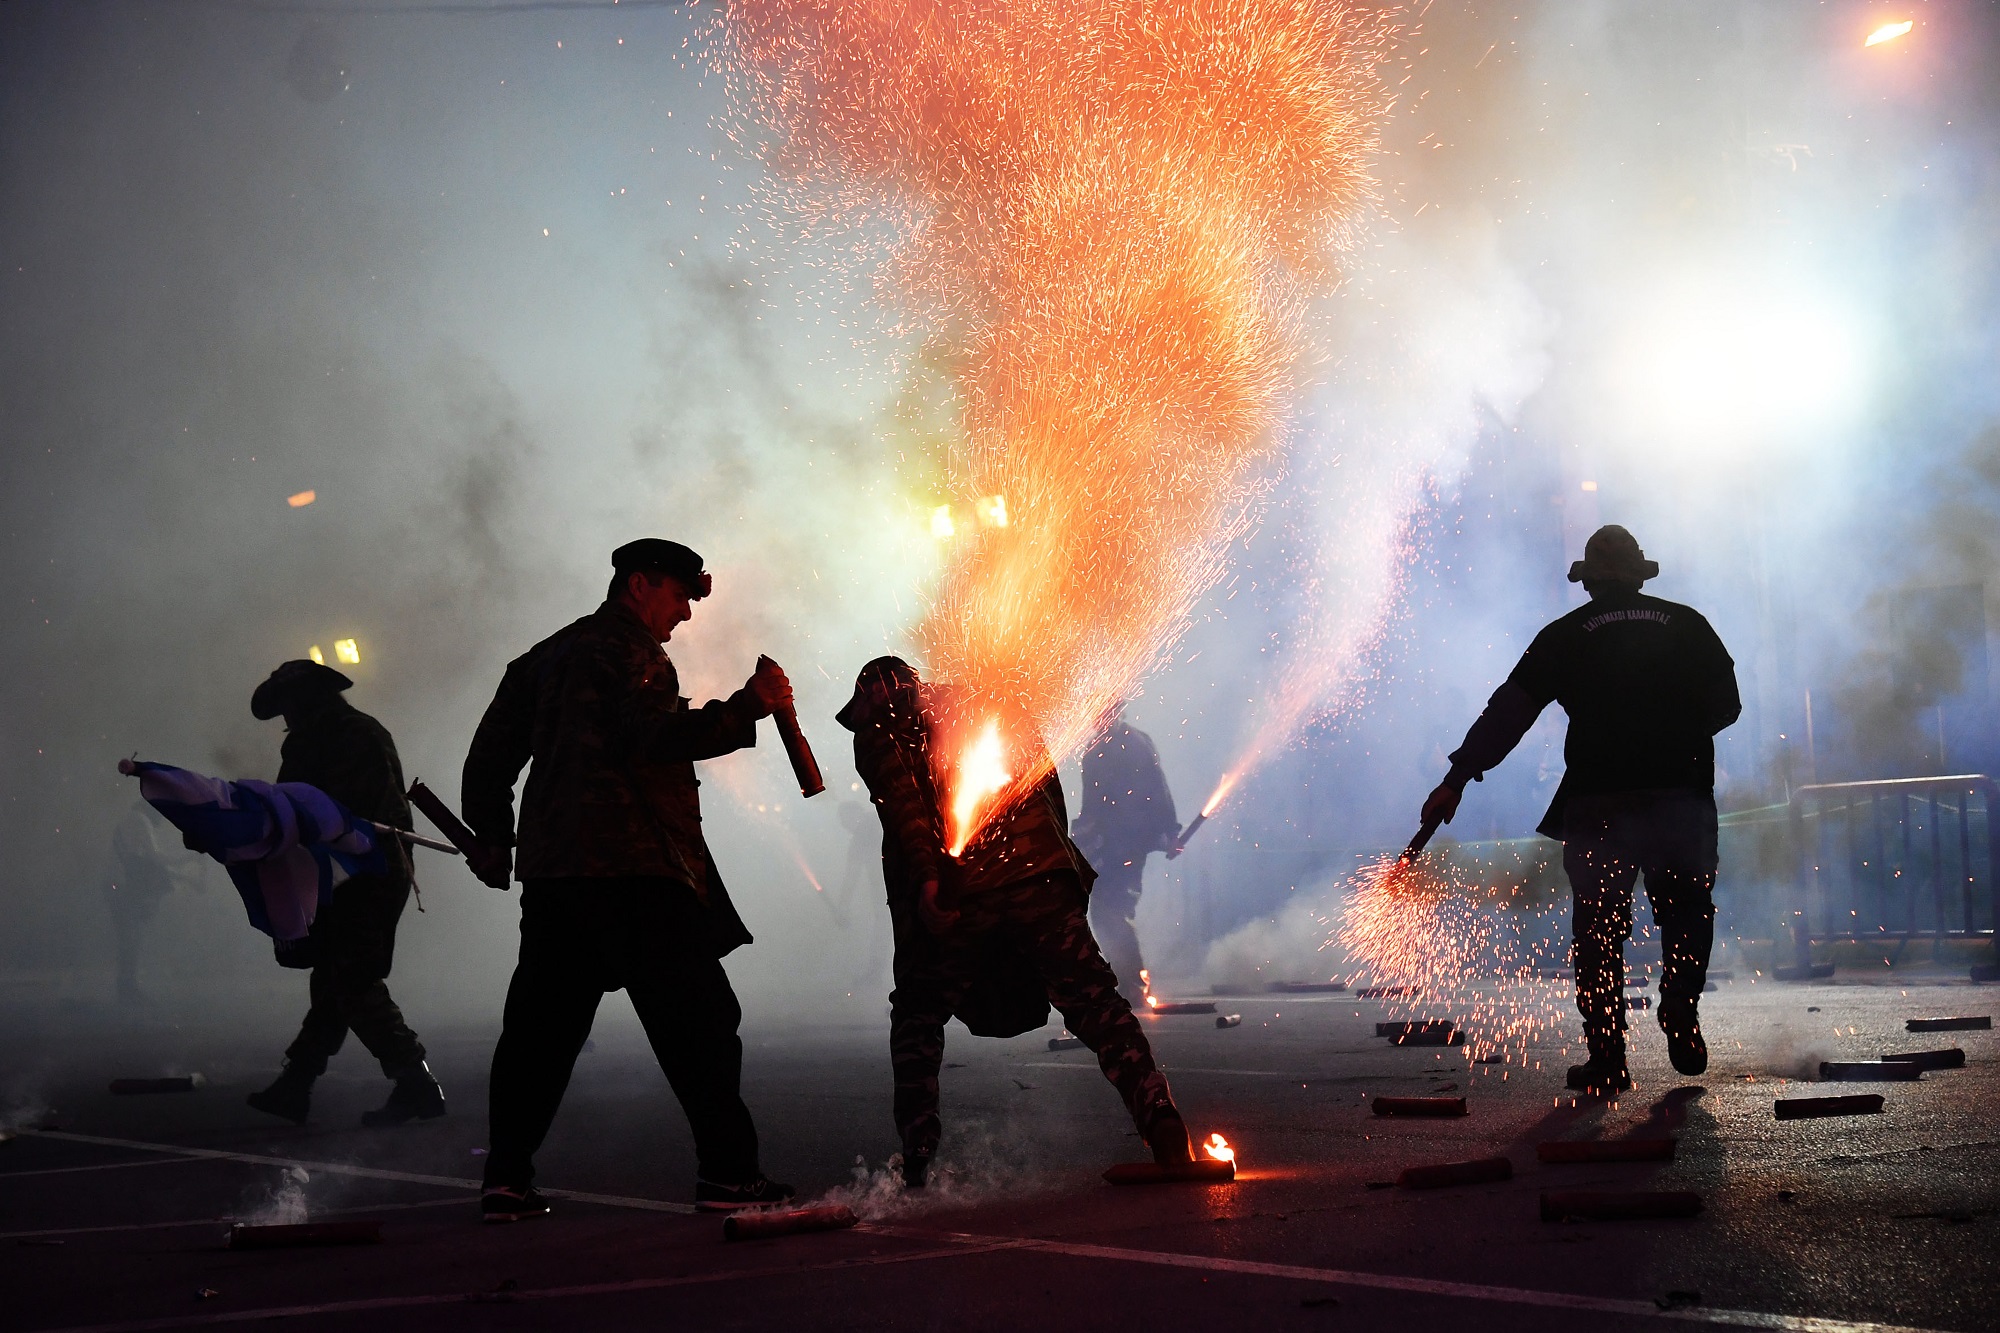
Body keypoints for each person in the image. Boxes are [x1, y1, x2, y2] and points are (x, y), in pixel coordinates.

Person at [461, 538, 795, 1221]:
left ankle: (505, 1180)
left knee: (539, 1036)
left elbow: (491, 751)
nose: (684, 614)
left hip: (558, 878)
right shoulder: (632, 651)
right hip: (638, 874)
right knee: (701, 1024)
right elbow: (651, 737)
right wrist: (746, 707)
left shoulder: (546, 655)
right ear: (639, 585)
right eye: (677, 596)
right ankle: (729, 1176)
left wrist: (493, 836)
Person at [837, 657, 1194, 1188]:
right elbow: (1047, 795)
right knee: (1095, 1001)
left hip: (962, 891)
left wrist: (930, 882)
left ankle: (916, 1153)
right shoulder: (990, 705)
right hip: (1042, 877)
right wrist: (1059, 878)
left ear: (872, 697)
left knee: (917, 1011)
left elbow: (905, 811)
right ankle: (1162, 1122)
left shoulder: (883, 727)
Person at [1419, 525, 1740, 1096]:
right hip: (1680, 796)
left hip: (1599, 802)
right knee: (1688, 913)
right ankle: (1681, 1013)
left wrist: (1456, 779)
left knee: (1598, 927)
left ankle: (1608, 1056)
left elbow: (1508, 715)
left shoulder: (1564, 636)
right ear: (1641, 576)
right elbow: (1727, 706)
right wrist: (1670, 738)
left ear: (1589, 583)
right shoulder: (1688, 625)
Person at [244, 660, 443, 1127]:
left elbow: (322, 808)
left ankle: (416, 1084)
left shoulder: (346, 736)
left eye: (288, 707)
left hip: (365, 869)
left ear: (306, 700)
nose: (285, 719)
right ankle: (296, 1086)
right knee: (334, 979)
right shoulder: (336, 733)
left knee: (351, 979)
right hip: (344, 871)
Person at [1070, 704, 1180, 1003]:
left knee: (1111, 909)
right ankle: (1128, 979)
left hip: (1130, 843)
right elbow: (1092, 805)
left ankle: (1132, 981)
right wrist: (1081, 836)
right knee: (1104, 911)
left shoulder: (1136, 744)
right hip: (1106, 845)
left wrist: (1170, 830)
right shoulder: (1094, 752)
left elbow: (1159, 789)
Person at [106, 799, 186, 1006]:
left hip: (116, 884)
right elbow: (154, 857)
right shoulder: (141, 821)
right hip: (123, 885)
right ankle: (127, 988)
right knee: (132, 938)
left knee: (130, 937)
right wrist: (184, 860)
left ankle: (126, 987)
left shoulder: (130, 819)